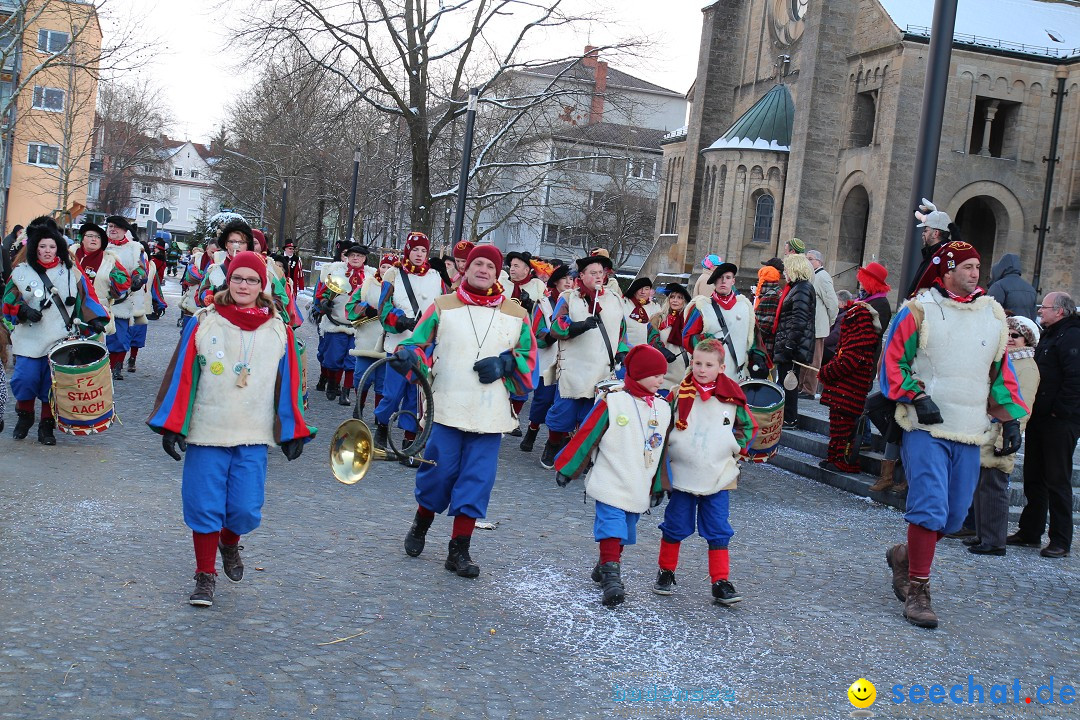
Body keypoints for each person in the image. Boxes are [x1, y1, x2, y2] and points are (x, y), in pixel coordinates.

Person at [147, 250, 315, 607]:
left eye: (252, 280)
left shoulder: (278, 330)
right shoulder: (205, 320)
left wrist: (292, 429)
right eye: (238, 278)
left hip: (253, 433)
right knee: (204, 505)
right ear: (229, 280)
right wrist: (174, 424)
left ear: (262, 285)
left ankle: (229, 542)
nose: (244, 285)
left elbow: (288, 383)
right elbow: (183, 372)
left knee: (244, 509)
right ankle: (205, 575)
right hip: (208, 430)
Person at [880, 240, 1027, 628]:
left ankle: (904, 557)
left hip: (968, 430)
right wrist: (916, 394)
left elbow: (999, 373)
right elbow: (893, 362)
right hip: (925, 426)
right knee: (929, 506)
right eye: (966, 266)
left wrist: (1009, 419)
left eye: (978, 266)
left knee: (954, 515)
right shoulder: (919, 311)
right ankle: (918, 590)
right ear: (946, 271)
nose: (975, 272)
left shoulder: (994, 315)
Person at [392, 244, 536, 578]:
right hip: (447, 408)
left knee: (476, 482)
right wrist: (408, 357)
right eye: (478, 264)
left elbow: (528, 359)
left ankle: (459, 549)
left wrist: (505, 364)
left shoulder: (516, 314)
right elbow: (415, 344)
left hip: (489, 415)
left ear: (498, 273)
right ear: (466, 269)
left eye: (491, 266)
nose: (484, 270)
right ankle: (421, 523)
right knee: (438, 475)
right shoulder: (443, 306)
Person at [553, 344, 672, 606]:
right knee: (612, 526)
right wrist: (568, 467)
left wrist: (659, 485)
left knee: (625, 529)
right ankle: (611, 579)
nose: (661, 380)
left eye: (663, 375)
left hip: (638, 481)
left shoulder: (662, 409)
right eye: (656, 375)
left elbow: (661, 449)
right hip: (611, 476)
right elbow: (588, 436)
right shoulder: (614, 401)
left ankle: (604, 563)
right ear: (639, 373)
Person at [652, 338, 757, 606]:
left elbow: (748, 427)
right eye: (697, 363)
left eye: (708, 364)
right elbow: (663, 425)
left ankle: (720, 581)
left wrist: (737, 451)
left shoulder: (733, 397)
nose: (701, 369)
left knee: (718, 529)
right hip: (682, 473)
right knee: (675, 525)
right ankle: (666, 571)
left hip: (718, 474)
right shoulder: (678, 394)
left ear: (721, 367)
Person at [2, 217, 109, 444]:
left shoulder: (71, 271)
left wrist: (96, 319)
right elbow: (9, 299)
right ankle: (25, 415)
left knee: (52, 384)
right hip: (29, 337)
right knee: (25, 379)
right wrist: (21, 311)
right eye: (42, 246)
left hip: (60, 336)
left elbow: (86, 297)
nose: (47, 251)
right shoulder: (21, 271)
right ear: (35, 247)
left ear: (58, 247)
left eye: (51, 246)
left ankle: (46, 425)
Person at [539, 253, 629, 468]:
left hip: (602, 368)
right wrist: (577, 327)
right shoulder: (570, 298)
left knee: (591, 417)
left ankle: (581, 451)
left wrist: (622, 351)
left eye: (601, 273)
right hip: (574, 367)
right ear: (582, 275)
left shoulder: (615, 299)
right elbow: (556, 328)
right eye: (593, 273)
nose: (598, 276)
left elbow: (621, 331)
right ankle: (553, 443)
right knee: (563, 413)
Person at [1009, 291, 1080, 559]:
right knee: (1034, 476)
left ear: (1060, 311)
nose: (1040, 310)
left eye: (1045, 307)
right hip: (1042, 417)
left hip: (1060, 422)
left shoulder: (1072, 336)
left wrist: (1058, 412)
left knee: (1057, 480)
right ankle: (1030, 531)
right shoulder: (1052, 334)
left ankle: (1061, 539)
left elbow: (1075, 380)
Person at [966, 316, 1041, 555]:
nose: (1009, 339)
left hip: (1001, 433)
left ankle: (995, 541)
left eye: (1015, 336)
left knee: (994, 488)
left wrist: (1006, 436)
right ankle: (983, 534)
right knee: (982, 487)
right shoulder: (1005, 361)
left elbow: (1023, 406)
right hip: (987, 429)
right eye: (1007, 334)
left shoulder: (1027, 366)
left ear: (1026, 340)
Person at [374, 231, 445, 463]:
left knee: (416, 396)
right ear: (407, 250)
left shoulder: (436, 276)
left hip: (424, 347)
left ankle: (409, 442)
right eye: (415, 250)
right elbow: (383, 309)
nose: (419, 254)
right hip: (398, 344)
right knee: (392, 394)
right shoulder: (394, 274)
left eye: (424, 250)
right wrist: (400, 321)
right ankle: (382, 426)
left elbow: (444, 308)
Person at [818, 296, 882, 473]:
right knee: (838, 427)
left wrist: (826, 372)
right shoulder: (859, 340)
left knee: (844, 429)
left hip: (847, 392)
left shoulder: (859, 342)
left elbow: (847, 362)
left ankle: (843, 461)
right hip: (844, 392)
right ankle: (835, 458)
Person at [520, 263, 573, 452]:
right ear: (556, 281)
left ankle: (557, 440)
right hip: (548, 356)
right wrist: (550, 335)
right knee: (543, 399)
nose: (569, 282)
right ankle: (532, 430)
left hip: (569, 359)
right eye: (565, 278)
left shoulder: (576, 302)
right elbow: (537, 331)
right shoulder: (544, 303)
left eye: (571, 278)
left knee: (564, 402)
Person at [683, 262, 759, 382]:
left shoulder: (745, 306)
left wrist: (758, 356)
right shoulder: (701, 307)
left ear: (733, 281)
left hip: (738, 377)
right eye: (720, 278)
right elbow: (687, 338)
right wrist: (706, 341)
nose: (723, 281)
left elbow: (754, 338)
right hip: (708, 377)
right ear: (714, 281)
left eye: (728, 278)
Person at [315, 244, 369, 405]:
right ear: (346, 257)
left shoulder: (370, 277)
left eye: (359, 256)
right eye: (352, 255)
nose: (355, 258)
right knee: (333, 358)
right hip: (336, 322)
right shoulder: (337, 272)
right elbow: (322, 293)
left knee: (352, 361)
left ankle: (345, 392)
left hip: (358, 325)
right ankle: (332, 383)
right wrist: (324, 302)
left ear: (364, 259)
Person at [346, 253, 398, 416]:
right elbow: (350, 307)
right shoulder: (367, 285)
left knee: (383, 381)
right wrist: (364, 310)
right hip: (367, 340)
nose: (386, 270)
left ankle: (379, 414)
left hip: (388, 340)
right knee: (361, 376)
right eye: (383, 266)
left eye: (390, 267)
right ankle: (359, 406)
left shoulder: (400, 287)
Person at [771, 253, 815, 429]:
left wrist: (789, 344)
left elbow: (799, 320)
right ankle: (787, 417)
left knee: (789, 382)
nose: (784, 273)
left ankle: (790, 418)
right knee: (785, 381)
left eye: (787, 269)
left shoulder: (802, 288)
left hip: (792, 346)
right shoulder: (796, 287)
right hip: (789, 342)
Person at [102, 216, 148, 381]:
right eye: (110, 226)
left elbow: (141, 268)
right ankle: (101, 368)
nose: (113, 229)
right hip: (101, 300)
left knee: (120, 337)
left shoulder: (135, 248)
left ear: (124, 230)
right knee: (102, 337)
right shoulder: (101, 246)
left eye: (117, 227)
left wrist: (138, 278)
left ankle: (117, 366)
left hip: (123, 299)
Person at [73, 222, 130, 337]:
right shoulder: (70, 255)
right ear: (82, 239)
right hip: (69, 310)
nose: (94, 239)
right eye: (90, 236)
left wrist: (114, 283)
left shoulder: (110, 261)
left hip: (96, 313)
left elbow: (124, 282)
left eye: (98, 237)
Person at [800, 249, 838, 397]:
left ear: (819, 262)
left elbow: (833, 303)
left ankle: (810, 389)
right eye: (806, 259)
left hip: (818, 326)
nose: (808, 261)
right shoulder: (813, 276)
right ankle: (803, 386)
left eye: (811, 259)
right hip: (810, 326)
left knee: (814, 359)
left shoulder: (822, 277)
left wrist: (830, 322)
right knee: (806, 358)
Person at [906, 199, 953, 298]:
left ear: (935, 233)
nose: (923, 233)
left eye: (925, 230)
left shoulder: (943, 256)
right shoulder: (935, 254)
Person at [652, 282, 692, 394]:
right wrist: (661, 349)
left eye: (679, 298)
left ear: (684, 301)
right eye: (672, 297)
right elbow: (651, 339)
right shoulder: (658, 319)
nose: (675, 300)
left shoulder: (690, 320)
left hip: (685, 375)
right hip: (663, 376)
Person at [986, 253, 1037, 320]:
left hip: (1006, 328)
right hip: (1025, 328)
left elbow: (990, 314)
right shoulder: (1031, 289)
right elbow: (1033, 316)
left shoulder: (998, 286)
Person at [753, 258, 784, 362]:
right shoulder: (774, 292)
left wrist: (753, 338)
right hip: (768, 344)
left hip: (765, 345)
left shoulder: (771, 294)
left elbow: (766, 323)